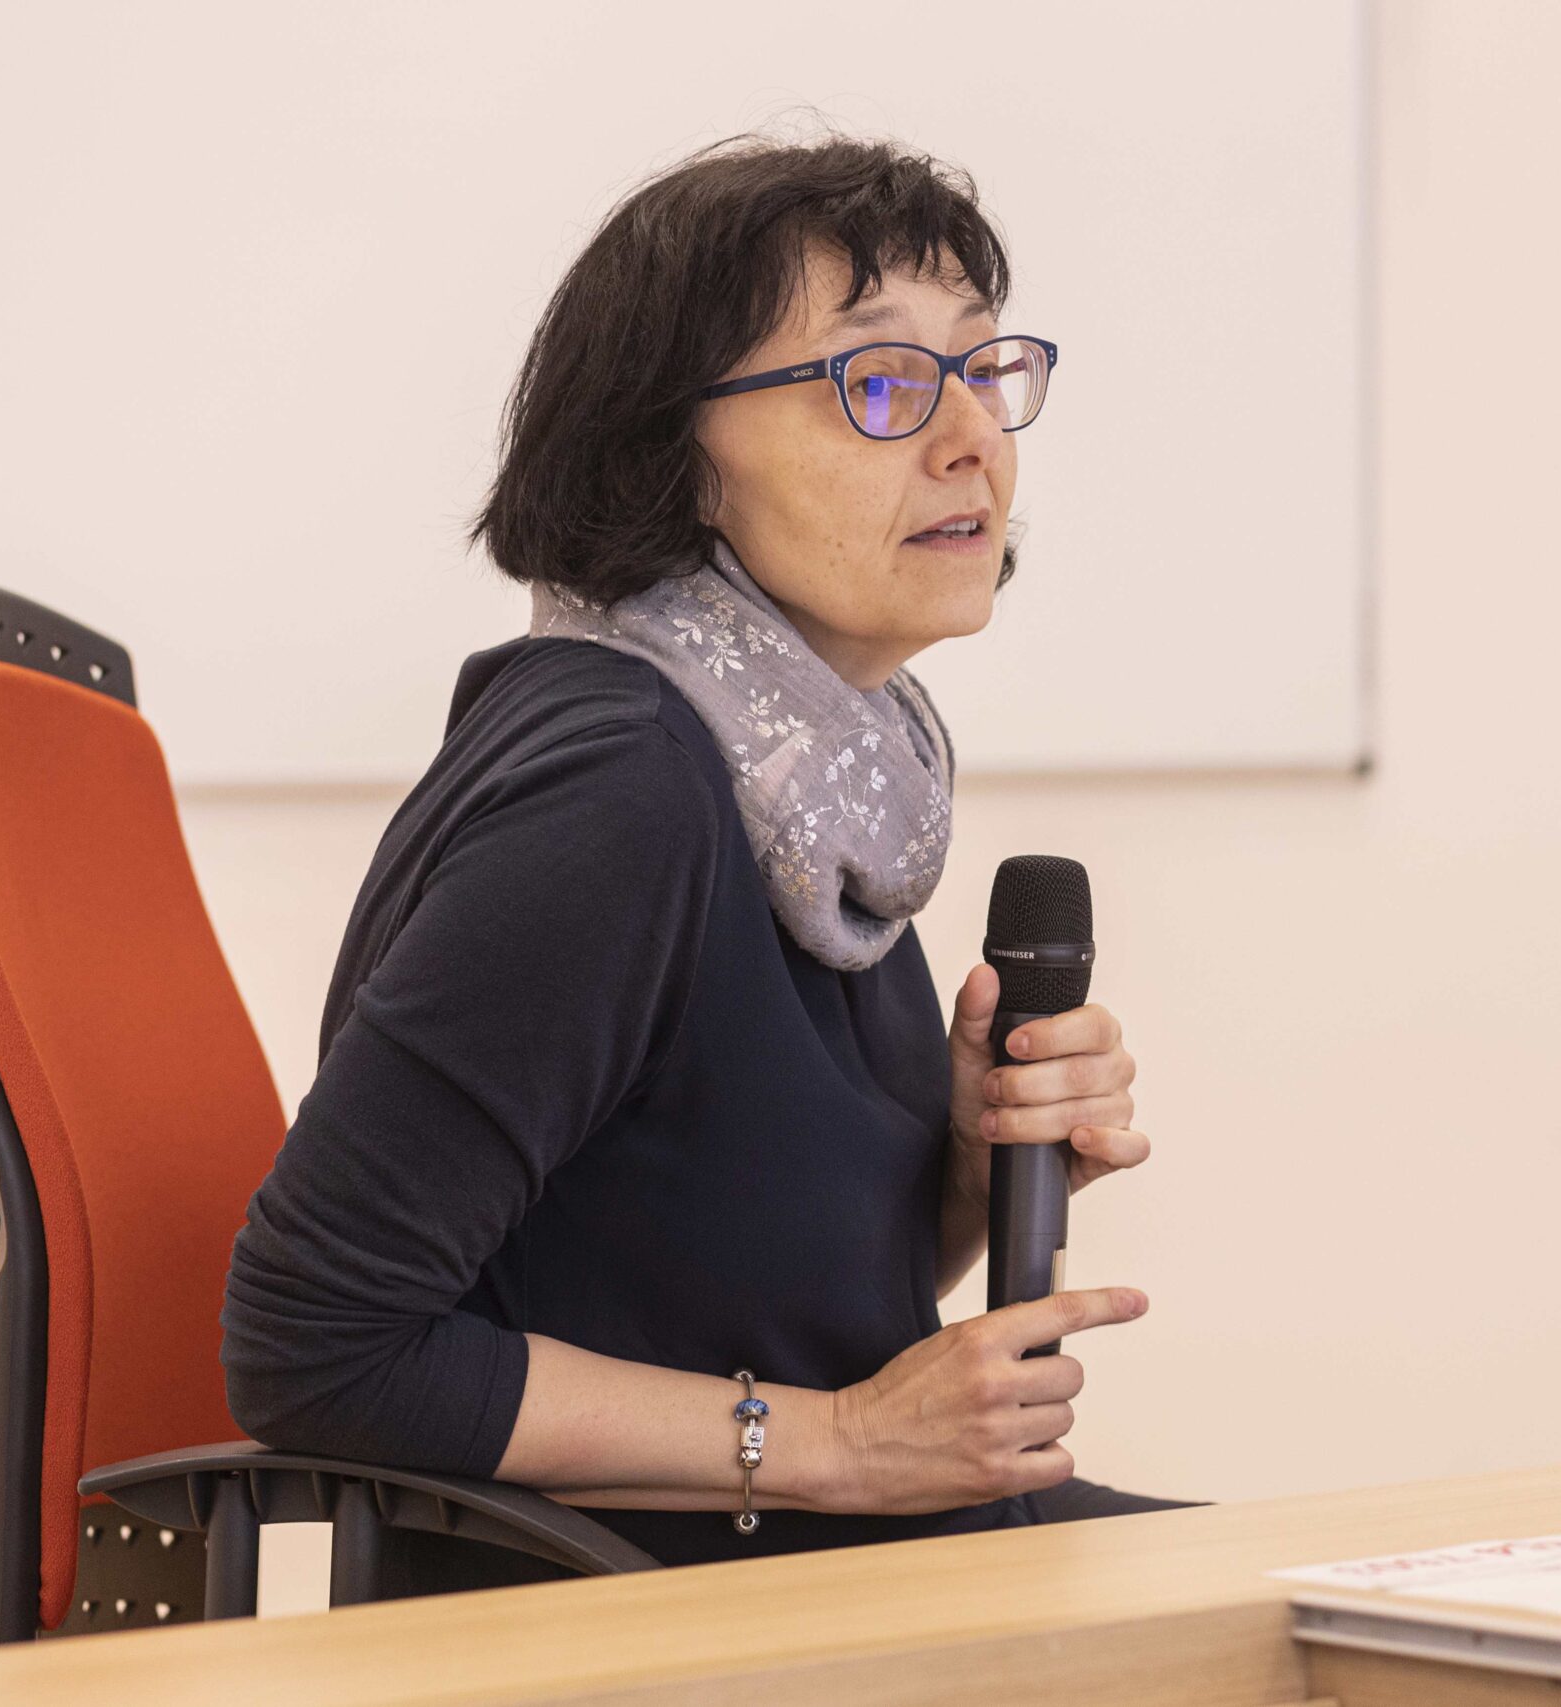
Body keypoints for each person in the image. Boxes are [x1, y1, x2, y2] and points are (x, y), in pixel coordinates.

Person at [219, 131, 1200, 1595]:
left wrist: (973, 1164)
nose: (970, 441)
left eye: (985, 372)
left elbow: (729, 1287)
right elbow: (315, 1345)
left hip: (804, 1571)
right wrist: (840, 1445)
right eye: (877, 384)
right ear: (671, 457)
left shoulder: (812, 775)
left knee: (1388, 1604)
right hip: (622, 1621)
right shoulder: (621, 789)